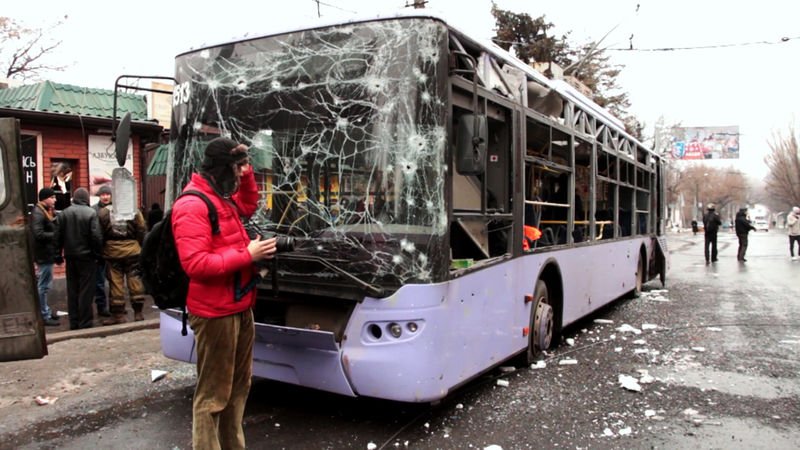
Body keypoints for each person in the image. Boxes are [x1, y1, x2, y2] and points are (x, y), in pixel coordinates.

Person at [172, 137, 277, 449]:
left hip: (239, 305)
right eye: (239, 167)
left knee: (238, 388)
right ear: (222, 168)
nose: (244, 171)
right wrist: (249, 255)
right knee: (213, 395)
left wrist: (247, 177)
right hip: (214, 312)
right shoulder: (192, 205)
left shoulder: (222, 197)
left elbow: (247, 205)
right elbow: (196, 264)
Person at [56, 187, 103, 330]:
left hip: (70, 256)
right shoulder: (91, 213)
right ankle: (85, 321)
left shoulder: (64, 214)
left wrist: (58, 254)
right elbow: (96, 236)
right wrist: (97, 254)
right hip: (87, 257)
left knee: (72, 289)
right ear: (86, 198)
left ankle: (74, 321)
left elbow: (57, 236)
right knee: (86, 290)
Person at [97, 199, 148, 324]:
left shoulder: (103, 212)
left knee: (115, 283)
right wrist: (138, 244)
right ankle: (138, 313)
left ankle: (118, 315)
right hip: (133, 250)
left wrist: (102, 248)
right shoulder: (134, 211)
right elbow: (141, 228)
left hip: (112, 252)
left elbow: (99, 233)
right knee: (135, 279)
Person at [31, 188, 62, 327]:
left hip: (46, 253)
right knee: (43, 286)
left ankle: (46, 312)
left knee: (44, 285)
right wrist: (55, 235)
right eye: (52, 197)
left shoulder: (45, 211)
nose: (55, 200)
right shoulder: (38, 213)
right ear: (45, 198)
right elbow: (38, 233)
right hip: (43, 254)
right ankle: (44, 315)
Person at [92, 185, 113, 317]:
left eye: (107, 194)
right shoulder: (94, 210)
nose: (105, 197)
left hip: (113, 250)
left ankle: (115, 306)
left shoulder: (115, 209)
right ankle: (102, 307)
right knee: (99, 282)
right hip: (99, 251)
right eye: (102, 194)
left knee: (114, 281)